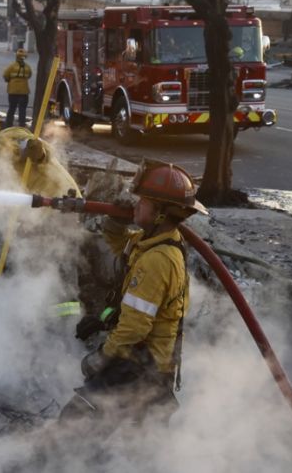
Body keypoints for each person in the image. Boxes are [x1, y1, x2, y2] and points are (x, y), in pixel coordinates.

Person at [60, 159, 208, 431]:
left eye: (143, 202)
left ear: (161, 214)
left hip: (141, 369)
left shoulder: (159, 260)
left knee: (74, 424)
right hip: (142, 364)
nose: (135, 204)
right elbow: (121, 250)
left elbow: (135, 328)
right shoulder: (149, 243)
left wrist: (101, 357)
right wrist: (116, 223)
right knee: (132, 443)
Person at [0, 107, 79, 197]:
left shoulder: (11, 139)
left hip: (62, 199)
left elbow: (44, 153)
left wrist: (38, 152)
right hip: (38, 210)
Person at [2, 48, 33, 128]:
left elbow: (5, 75)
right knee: (22, 110)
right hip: (24, 92)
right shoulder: (28, 67)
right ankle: (22, 125)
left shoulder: (12, 66)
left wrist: (9, 80)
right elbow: (29, 75)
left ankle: (8, 125)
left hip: (13, 91)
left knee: (11, 109)